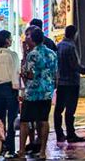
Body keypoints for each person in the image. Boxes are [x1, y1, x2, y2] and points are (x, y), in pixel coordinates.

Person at [53, 25, 85, 144]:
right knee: (70, 110)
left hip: (61, 82)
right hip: (71, 82)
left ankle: (59, 133)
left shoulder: (59, 45)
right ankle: (70, 134)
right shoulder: (71, 47)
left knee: (58, 110)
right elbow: (75, 66)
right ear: (74, 34)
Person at [19, 27, 57, 155]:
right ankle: (42, 151)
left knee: (25, 121)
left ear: (33, 39)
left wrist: (23, 71)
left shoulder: (32, 54)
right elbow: (55, 73)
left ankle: (22, 151)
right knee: (44, 120)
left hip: (32, 93)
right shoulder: (52, 53)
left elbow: (29, 74)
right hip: (46, 92)